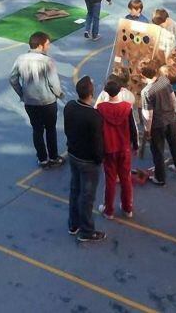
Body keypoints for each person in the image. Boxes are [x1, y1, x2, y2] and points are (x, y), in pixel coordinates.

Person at [8, 32, 65, 168]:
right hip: (47, 102)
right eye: (47, 44)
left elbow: (13, 79)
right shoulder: (47, 61)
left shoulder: (20, 59)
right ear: (40, 45)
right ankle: (53, 157)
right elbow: (54, 83)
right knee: (50, 129)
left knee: (37, 130)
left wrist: (22, 94)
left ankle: (42, 159)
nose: (48, 47)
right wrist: (59, 94)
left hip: (30, 102)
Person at [64, 76, 105, 242]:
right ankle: (87, 231)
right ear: (91, 93)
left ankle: (73, 224)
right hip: (88, 160)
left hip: (73, 154)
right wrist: (99, 158)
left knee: (75, 190)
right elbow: (97, 141)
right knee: (87, 197)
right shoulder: (94, 115)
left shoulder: (70, 106)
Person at [140, 63, 176, 185]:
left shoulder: (146, 91)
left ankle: (160, 178)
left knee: (158, 151)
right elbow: (173, 99)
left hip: (157, 124)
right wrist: (174, 112)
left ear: (143, 75)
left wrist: (147, 129)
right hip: (170, 119)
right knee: (175, 145)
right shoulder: (164, 81)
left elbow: (148, 114)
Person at [95, 80, 137, 220]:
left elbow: (97, 131)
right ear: (121, 91)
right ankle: (127, 208)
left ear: (106, 92)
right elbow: (133, 128)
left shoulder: (100, 108)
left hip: (109, 148)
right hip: (124, 148)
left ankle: (109, 210)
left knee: (110, 180)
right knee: (126, 178)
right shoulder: (127, 107)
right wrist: (135, 145)